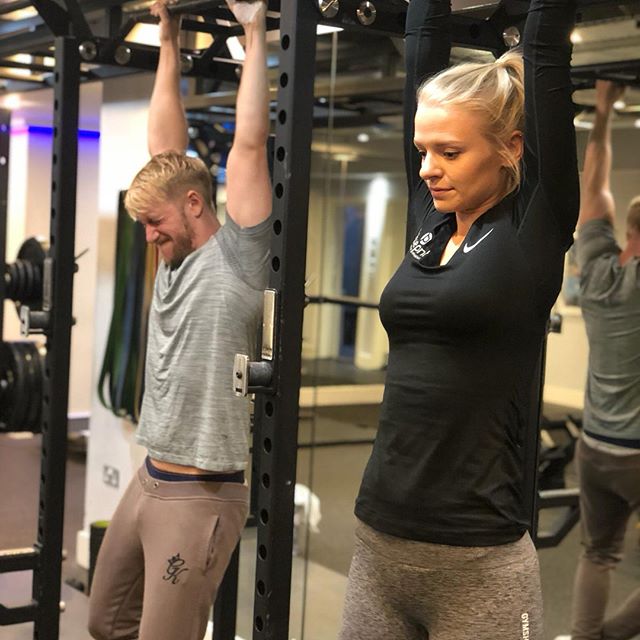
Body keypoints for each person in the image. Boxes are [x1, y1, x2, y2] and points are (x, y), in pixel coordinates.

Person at [338, 0, 579, 638]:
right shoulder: (430, 218)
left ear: (510, 149)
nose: (426, 169)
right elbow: (423, 39)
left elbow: (547, 41)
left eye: (448, 151)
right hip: (379, 541)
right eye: (422, 150)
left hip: (479, 558)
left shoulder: (536, 226)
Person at [88, 1, 271, 638]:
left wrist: (253, 29)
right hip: (151, 475)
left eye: (155, 224)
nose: (148, 237)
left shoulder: (238, 256)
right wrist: (169, 37)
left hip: (202, 494)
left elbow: (249, 144)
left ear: (195, 205)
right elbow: (164, 145)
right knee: (105, 621)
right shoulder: (174, 248)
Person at [564, 79, 640, 640]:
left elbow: (595, 185)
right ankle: (611, 635)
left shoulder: (594, 270)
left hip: (595, 447)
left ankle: (588, 637)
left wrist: (605, 110)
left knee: (598, 552)